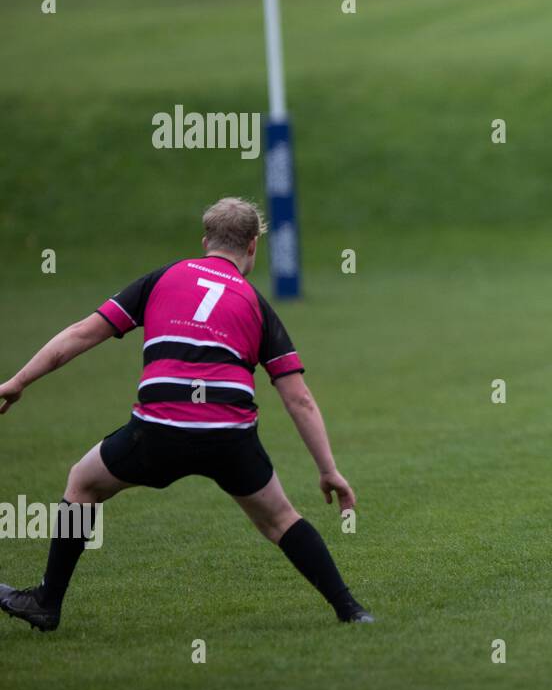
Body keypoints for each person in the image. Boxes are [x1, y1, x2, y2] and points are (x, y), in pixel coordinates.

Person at [0, 198, 372, 630]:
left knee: (82, 484)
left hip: (158, 429)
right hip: (228, 436)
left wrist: (18, 381)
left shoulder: (163, 279)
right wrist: (328, 470)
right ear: (253, 247)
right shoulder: (255, 303)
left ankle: (47, 602)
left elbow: (83, 333)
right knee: (280, 520)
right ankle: (351, 610)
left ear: (205, 242)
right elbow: (298, 397)